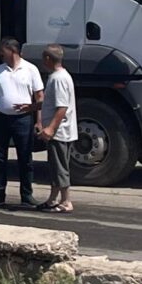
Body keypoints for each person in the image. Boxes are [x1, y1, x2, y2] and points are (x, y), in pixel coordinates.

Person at [0, 35, 44, 208]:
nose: (0, 54)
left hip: (23, 119)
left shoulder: (30, 69)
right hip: (1, 118)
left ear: (12, 51)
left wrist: (38, 120)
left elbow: (39, 95)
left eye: (2, 51)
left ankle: (26, 195)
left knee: (25, 157)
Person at [36, 43, 78, 213]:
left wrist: (51, 128)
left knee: (60, 167)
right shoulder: (61, 76)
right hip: (61, 131)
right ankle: (53, 198)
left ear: (47, 58)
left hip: (59, 132)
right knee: (54, 166)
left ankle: (66, 200)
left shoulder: (58, 78)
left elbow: (62, 107)